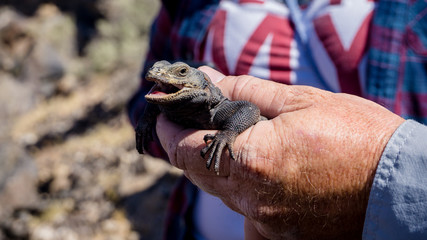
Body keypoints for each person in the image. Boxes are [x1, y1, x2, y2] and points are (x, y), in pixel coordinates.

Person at [127, 0, 427, 239]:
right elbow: (149, 93)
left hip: (372, 224)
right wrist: (157, 129)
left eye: (180, 72)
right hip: (199, 228)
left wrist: (377, 179)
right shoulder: (190, 4)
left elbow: (246, 111)